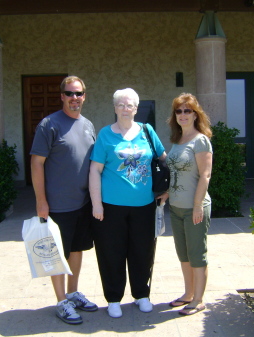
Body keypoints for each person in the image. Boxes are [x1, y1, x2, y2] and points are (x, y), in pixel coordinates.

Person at [89, 88, 167, 318]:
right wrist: (96, 204)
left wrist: (169, 190)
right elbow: (95, 169)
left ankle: (141, 294)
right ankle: (113, 298)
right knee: (110, 252)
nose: (125, 108)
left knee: (143, 251)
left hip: (144, 205)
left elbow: (164, 160)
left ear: (136, 108)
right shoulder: (105, 135)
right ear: (115, 108)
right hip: (111, 206)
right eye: (121, 104)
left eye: (129, 105)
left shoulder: (147, 131)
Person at [30, 75, 98, 325]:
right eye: (69, 93)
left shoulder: (88, 125)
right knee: (57, 254)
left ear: (84, 96)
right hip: (58, 205)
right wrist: (41, 201)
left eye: (79, 93)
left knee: (77, 249)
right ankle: (61, 301)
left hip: (83, 203)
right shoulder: (49, 125)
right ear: (62, 96)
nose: (74, 98)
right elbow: (37, 163)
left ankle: (72, 293)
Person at [157, 92, 212, 316]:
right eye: (178, 111)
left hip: (194, 208)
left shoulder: (201, 140)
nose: (182, 114)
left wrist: (198, 205)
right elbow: (177, 174)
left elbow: (205, 175)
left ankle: (198, 299)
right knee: (184, 255)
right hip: (177, 208)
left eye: (187, 110)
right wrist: (167, 194)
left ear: (195, 114)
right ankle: (188, 294)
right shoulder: (178, 141)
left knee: (197, 255)